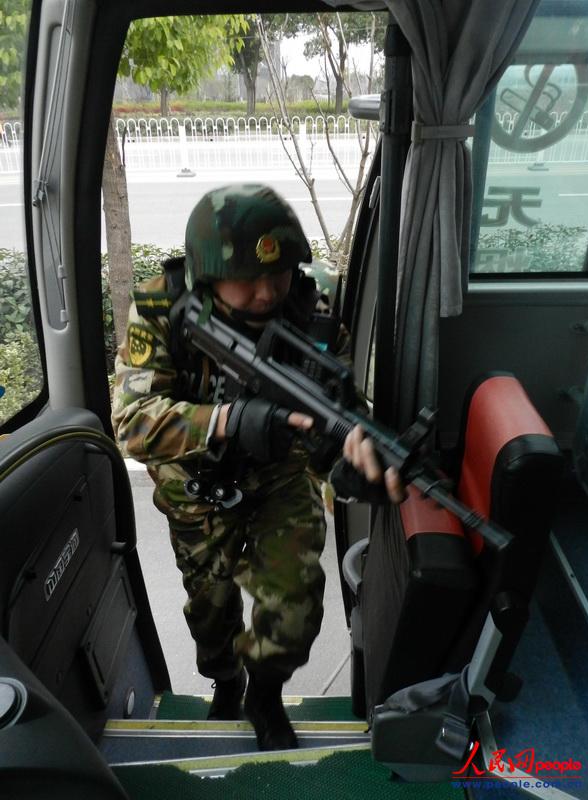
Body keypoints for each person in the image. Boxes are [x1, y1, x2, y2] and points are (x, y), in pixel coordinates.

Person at [111, 184, 404, 751]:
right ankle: (226, 680)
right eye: (248, 277)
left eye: (280, 272)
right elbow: (133, 422)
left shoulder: (310, 308)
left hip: (280, 479)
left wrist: (352, 461)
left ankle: (264, 695)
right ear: (206, 275)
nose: (268, 291)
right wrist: (226, 421)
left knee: (295, 611)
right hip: (194, 487)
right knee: (211, 613)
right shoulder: (160, 306)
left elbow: (340, 411)